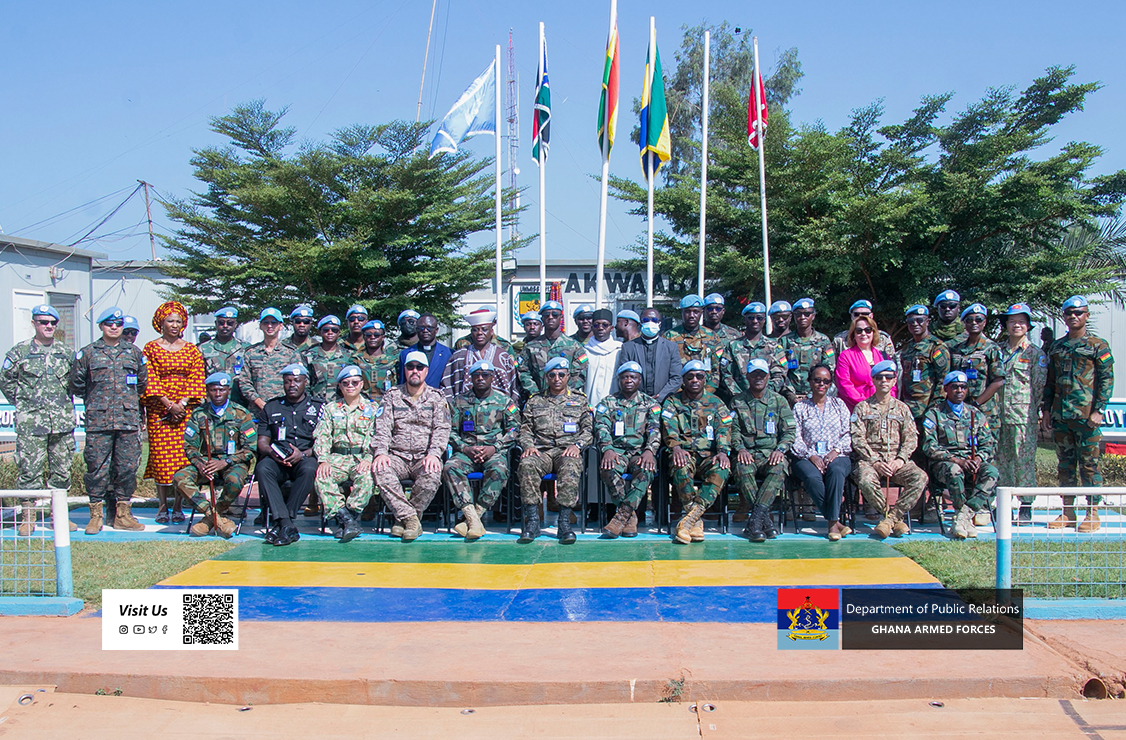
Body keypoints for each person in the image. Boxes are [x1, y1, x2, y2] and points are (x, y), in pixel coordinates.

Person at [70, 307, 148, 534]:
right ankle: (96, 516)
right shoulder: (87, 353)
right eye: (109, 324)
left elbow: (141, 384)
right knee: (96, 468)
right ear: (101, 326)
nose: (114, 327)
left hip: (127, 420)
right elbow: (77, 385)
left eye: (118, 324)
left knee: (126, 468)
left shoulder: (134, 353)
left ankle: (122, 515)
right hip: (99, 420)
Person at [2, 304, 77, 535]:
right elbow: (6, 380)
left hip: (61, 423)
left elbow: (75, 381)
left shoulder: (66, 352)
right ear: (34, 323)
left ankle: (58, 517)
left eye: (52, 322)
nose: (48, 326)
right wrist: (24, 404)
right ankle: (28, 518)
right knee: (29, 470)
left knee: (62, 471)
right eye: (43, 322)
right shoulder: (19, 352)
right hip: (31, 423)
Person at [1041, 295, 1113, 532]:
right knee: (1065, 465)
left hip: (1086, 417)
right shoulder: (1057, 347)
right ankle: (1068, 512)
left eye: (1078, 312)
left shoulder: (1097, 345)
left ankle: (1092, 513)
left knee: (1089, 465)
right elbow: (1050, 381)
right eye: (1069, 313)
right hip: (1062, 416)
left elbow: (1106, 379)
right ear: (1064, 317)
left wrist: (1099, 409)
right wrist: (1047, 410)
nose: (1073, 316)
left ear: (1086, 316)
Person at [372, 351, 452, 542]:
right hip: (397, 456)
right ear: (405, 370)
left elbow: (442, 429)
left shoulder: (436, 397)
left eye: (419, 367)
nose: (414, 371)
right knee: (380, 470)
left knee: (432, 475)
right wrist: (381, 452)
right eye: (410, 367)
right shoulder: (392, 396)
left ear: (426, 371)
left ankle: (404, 521)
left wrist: (434, 454)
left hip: (423, 457)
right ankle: (411, 519)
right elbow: (382, 427)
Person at [142, 301, 206, 524]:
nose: (174, 325)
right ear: (161, 322)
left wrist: (183, 403)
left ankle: (178, 505)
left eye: (179, 321)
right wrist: (169, 404)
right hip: (160, 410)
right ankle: (162, 506)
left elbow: (197, 377)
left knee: (181, 458)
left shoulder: (191, 349)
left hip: (185, 411)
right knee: (161, 459)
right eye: (170, 320)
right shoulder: (150, 348)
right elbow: (149, 377)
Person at [516, 357, 591, 544]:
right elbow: (525, 429)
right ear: (546, 377)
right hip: (541, 451)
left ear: (568, 376)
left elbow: (588, 429)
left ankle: (564, 523)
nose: (557, 378)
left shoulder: (580, 400)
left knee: (571, 466)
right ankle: (533, 521)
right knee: (526, 464)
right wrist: (528, 446)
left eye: (561, 374)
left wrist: (578, 446)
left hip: (567, 450)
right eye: (552, 375)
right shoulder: (535, 401)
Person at [443, 360, 520, 540]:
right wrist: (464, 447)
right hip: (466, 451)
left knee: (500, 470)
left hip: (493, 451)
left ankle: (474, 516)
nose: (480, 378)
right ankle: (471, 516)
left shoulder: (504, 401)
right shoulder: (459, 401)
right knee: (449, 467)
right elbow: (449, 430)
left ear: (492, 377)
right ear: (470, 378)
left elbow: (515, 429)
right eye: (476, 375)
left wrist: (495, 447)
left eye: (485, 375)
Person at [173, 372, 256, 538]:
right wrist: (200, 465)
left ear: (228, 390)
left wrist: (225, 461)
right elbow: (190, 446)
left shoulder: (241, 413)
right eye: (213, 390)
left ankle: (210, 519)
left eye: (221, 390)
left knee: (234, 480)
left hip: (232, 463)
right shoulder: (198, 414)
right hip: (205, 463)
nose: (217, 394)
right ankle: (215, 517)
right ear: (207, 391)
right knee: (179, 477)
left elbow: (250, 448)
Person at [851, 360, 927, 539]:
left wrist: (900, 460)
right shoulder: (862, 408)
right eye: (879, 377)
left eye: (888, 377)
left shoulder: (902, 409)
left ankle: (890, 520)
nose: (884, 380)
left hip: (897, 461)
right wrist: (875, 461)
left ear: (894, 381)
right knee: (865, 480)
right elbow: (857, 439)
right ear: (873, 381)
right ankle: (893, 519)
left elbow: (911, 438)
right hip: (870, 461)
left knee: (920, 477)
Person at [922, 371, 999, 539]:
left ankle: (964, 516)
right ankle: (962, 516)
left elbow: (988, 445)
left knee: (992, 472)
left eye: (963, 387)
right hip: (945, 463)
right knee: (955, 470)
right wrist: (957, 460)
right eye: (955, 387)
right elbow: (929, 446)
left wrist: (977, 460)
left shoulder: (975, 414)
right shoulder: (934, 414)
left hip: (972, 462)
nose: (959, 390)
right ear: (946, 389)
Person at [662, 360, 732, 544]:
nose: (695, 380)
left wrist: (723, 451)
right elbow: (669, 427)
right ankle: (695, 521)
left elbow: (724, 428)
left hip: (709, 455)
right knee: (680, 465)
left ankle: (689, 520)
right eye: (690, 376)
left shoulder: (716, 403)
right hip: (684, 453)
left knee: (722, 468)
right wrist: (675, 447)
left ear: (704, 379)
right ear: (683, 380)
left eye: (699, 376)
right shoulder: (672, 401)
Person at [310, 366, 377, 544]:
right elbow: (322, 435)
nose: (350, 386)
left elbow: (377, 437)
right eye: (345, 383)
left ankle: (350, 518)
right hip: (337, 457)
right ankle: (347, 520)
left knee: (367, 478)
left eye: (354, 382)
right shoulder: (331, 409)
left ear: (361, 384)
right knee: (322, 477)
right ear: (340, 386)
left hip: (361, 458)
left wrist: (369, 458)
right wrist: (323, 460)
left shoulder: (372, 408)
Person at [731, 359, 796, 542]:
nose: (758, 377)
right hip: (747, 454)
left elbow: (789, 432)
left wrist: (780, 450)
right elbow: (732, 431)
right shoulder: (737, 401)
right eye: (754, 374)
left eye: (762, 374)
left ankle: (755, 522)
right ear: (747, 376)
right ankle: (764, 522)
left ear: (768, 376)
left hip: (771, 454)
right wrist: (740, 449)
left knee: (779, 468)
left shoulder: (779, 401)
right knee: (742, 469)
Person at [995, 303, 1048, 524]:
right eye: (1012, 321)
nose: (1017, 325)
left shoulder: (1035, 353)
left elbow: (1039, 387)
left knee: (1023, 461)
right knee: (1001, 461)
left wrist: (1037, 413)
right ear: (1006, 325)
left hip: (1022, 417)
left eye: (1021, 321)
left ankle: (1025, 506)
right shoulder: (997, 350)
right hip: (998, 416)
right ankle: (1004, 505)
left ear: (1027, 326)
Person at [595, 362, 661, 538]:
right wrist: (607, 449)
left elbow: (654, 429)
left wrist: (650, 451)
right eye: (625, 377)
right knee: (608, 468)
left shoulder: (650, 403)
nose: (629, 380)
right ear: (619, 380)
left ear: (640, 380)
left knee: (646, 469)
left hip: (640, 452)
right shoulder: (608, 402)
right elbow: (601, 426)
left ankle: (621, 516)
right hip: (617, 451)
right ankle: (630, 517)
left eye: (633, 377)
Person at [255, 364, 323, 529]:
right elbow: (262, 442)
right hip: (278, 458)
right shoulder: (271, 407)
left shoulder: (319, 407)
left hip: (306, 457)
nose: (292, 385)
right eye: (288, 381)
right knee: (263, 468)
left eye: (297, 381)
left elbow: (324, 441)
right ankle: (284, 522)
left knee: (309, 469)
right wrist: (272, 453)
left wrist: (304, 454)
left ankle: (285, 517)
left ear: (305, 382)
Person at [790, 364, 853, 541]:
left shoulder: (839, 405)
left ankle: (832, 523)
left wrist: (835, 452)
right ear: (810, 382)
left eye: (826, 381)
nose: (821, 384)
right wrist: (811, 456)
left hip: (837, 455)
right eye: (817, 380)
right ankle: (834, 522)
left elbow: (848, 433)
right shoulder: (800, 408)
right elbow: (795, 437)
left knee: (837, 471)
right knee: (812, 477)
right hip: (805, 456)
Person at [946, 303, 1005, 433]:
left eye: (978, 319)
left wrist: (977, 404)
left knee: (985, 450)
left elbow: (998, 380)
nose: (974, 323)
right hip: (960, 409)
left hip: (984, 410)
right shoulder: (956, 348)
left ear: (984, 322)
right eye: (969, 320)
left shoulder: (991, 348)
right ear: (964, 323)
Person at [239, 308, 305, 419]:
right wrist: (259, 402)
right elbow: (244, 381)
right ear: (260, 326)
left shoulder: (290, 353)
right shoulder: (250, 353)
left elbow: (300, 381)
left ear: (280, 326)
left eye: (273, 323)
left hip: (285, 410)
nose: (270, 326)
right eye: (266, 322)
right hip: (257, 411)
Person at [515, 300, 588, 399]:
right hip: (538, 401)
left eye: (554, 314)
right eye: (546, 315)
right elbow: (523, 372)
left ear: (561, 318)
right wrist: (535, 392)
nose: (550, 317)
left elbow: (580, 374)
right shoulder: (531, 347)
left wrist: (561, 391)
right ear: (542, 319)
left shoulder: (574, 346)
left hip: (566, 401)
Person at [441, 309, 517, 403]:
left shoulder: (503, 356)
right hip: (465, 412)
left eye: (484, 329)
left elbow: (514, 388)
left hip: (499, 412)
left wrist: (512, 413)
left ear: (491, 331)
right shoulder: (458, 356)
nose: (480, 333)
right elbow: (447, 387)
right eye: (475, 330)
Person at [719, 302, 784, 404]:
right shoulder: (732, 346)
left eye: (759, 318)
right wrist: (739, 396)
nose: (755, 321)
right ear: (745, 319)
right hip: (739, 402)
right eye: (750, 318)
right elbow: (726, 373)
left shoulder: (774, 347)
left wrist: (765, 394)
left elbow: (779, 375)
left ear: (764, 320)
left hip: (768, 401)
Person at [897, 305, 951, 427]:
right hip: (907, 409)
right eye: (911, 321)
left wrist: (935, 408)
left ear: (927, 322)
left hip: (928, 408)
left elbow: (943, 380)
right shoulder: (907, 348)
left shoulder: (936, 347)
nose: (915, 324)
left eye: (919, 320)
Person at [778, 298, 836, 406]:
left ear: (813, 316)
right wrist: (791, 395)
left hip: (817, 398)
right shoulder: (784, 341)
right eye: (798, 314)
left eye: (807, 314)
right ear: (794, 317)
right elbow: (780, 371)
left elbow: (829, 370)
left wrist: (811, 395)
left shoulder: (823, 341)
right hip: (789, 399)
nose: (802, 317)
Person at [617, 307, 682, 403]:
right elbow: (623, 376)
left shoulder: (671, 347)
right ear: (641, 323)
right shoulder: (628, 347)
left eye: (654, 320)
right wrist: (639, 398)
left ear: (660, 323)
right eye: (646, 320)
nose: (650, 323)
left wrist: (660, 397)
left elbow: (676, 378)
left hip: (664, 401)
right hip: (635, 403)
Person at [666, 294, 725, 396]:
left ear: (701, 313)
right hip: (677, 395)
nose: (692, 315)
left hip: (705, 394)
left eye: (696, 312)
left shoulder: (711, 336)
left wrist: (705, 393)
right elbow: (665, 369)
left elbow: (716, 370)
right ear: (682, 313)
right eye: (688, 311)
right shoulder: (669, 336)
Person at [835, 314, 894, 410]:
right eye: (859, 331)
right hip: (856, 408)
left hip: (883, 409)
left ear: (873, 332)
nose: (863, 333)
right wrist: (865, 405)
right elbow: (844, 385)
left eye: (868, 330)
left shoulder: (883, 356)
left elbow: (892, 384)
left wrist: (887, 403)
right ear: (853, 334)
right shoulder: (845, 356)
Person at [397, 313, 451, 389]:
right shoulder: (405, 354)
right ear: (416, 329)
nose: (425, 331)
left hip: (438, 398)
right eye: (421, 328)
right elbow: (402, 383)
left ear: (436, 330)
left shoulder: (448, 353)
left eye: (429, 328)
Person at [197, 307, 248, 384]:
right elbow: (198, 377)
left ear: (235, 325)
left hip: (239, 394)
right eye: (221, 322)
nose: (225, 326)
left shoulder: (246, 347)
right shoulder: (203, 349)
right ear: (216, 324)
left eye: (230, 323)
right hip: (214, 394)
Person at [304, 315, 350, 400]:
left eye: (334, 330)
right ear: (320, 332)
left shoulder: (348, 356)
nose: (330, 332)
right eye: (326, 330)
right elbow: (305, 383)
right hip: (316, 403)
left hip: (339, 404)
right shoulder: (309, 355)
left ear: (338, 332)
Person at [351, 319, 398, 401]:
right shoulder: (355, 360)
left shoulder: (393, 361)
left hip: (387, 405)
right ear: (364, 337)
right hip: (362, 406)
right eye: (368, 335)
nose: (372, 337)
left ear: (383, 337)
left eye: (376, 335)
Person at [584, 308, 622, 407]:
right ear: (592, 327)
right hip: (589, 405)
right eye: (596, 325)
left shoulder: (619, 350)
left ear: (611, 328)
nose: (600, 328)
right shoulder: (584, 351)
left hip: (614, 407)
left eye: (605, 325)